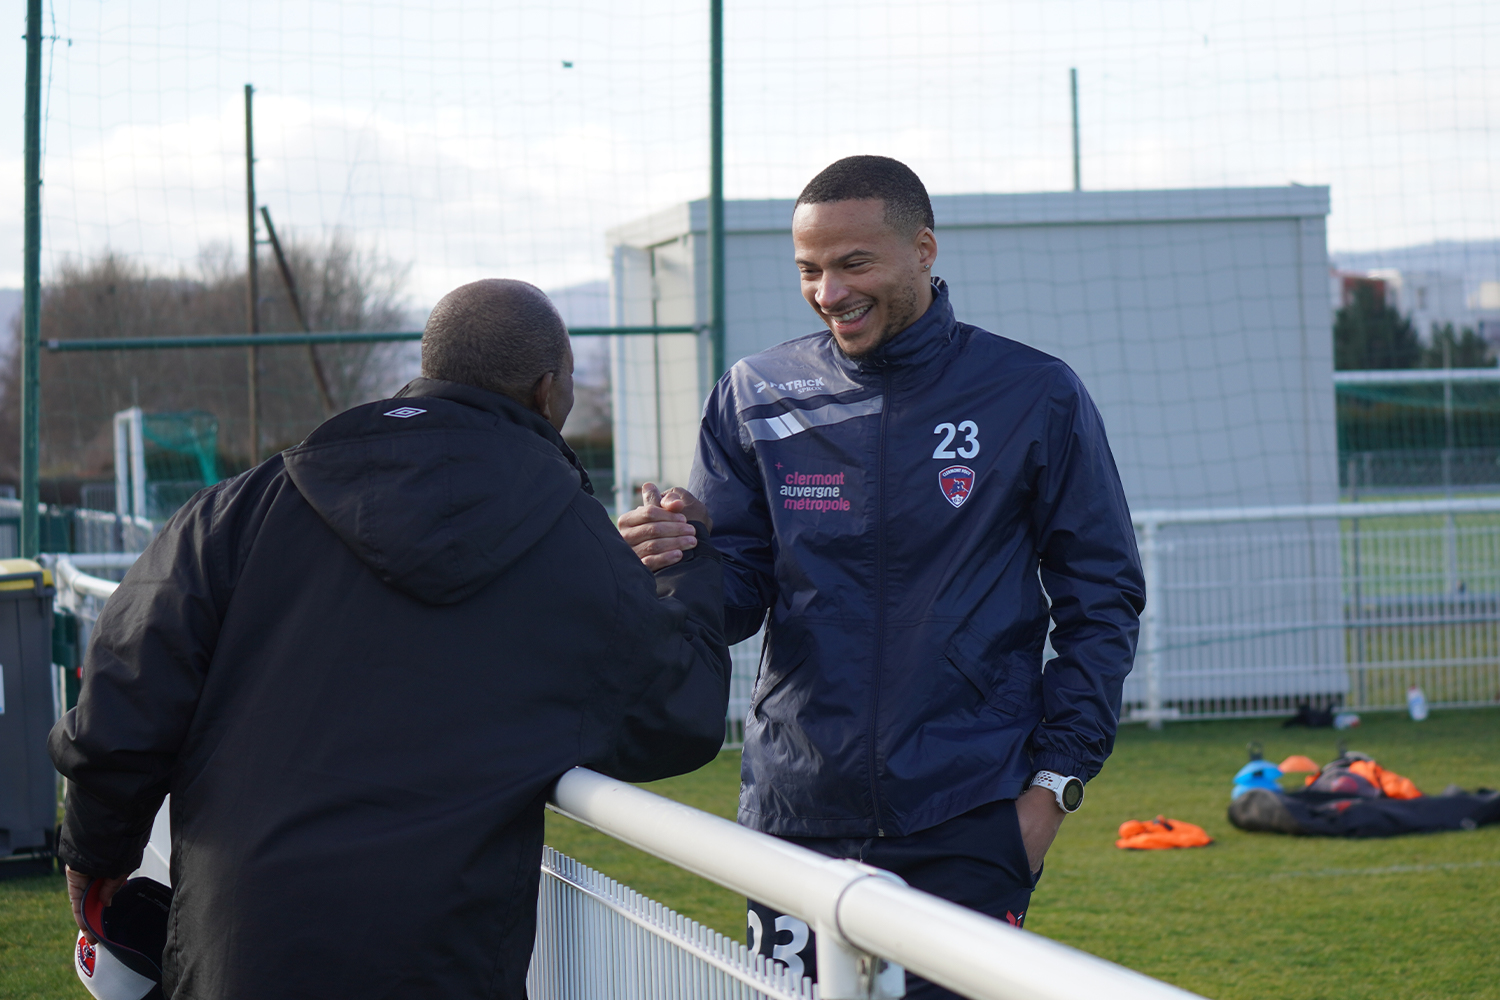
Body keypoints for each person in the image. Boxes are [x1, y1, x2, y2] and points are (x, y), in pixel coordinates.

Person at [50, 278, 731, 1000]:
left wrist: (96, 856)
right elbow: (678, 714)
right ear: (546, 389)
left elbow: (124, 695)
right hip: (443, 955)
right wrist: (682, 562)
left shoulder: (241, 509)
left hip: (242, 940)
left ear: (428, 368)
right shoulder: (574, 541)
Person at [619, 156, 1145, 997]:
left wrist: (1050, 792)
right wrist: (677, 558)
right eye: (809, 270)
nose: (829, 291)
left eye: (853, 263)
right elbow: (736, 603)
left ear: (923, 249)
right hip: (794, 819)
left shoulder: (1033, 392)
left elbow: (1102, 597)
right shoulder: (755, 393)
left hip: (969, 817)